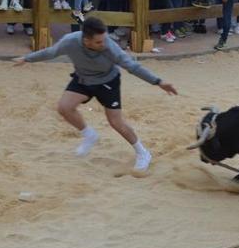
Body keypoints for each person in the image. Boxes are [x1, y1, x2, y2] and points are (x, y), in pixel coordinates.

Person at [13, 17, 178, 172]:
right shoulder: (70, 41)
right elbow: (51, 52)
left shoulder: (110, 48)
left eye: (104, 39)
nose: (104, 43)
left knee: (115, 122)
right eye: (99, 41)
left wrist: (158, 82)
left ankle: (142, 152)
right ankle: (89, 134)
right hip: (83, 79)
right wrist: (27, 58)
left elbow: (132, 66)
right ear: (86, 40)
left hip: (108, 81)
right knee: (64, 107)